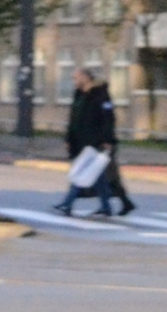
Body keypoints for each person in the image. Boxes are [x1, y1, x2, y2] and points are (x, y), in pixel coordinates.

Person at [55, 68, 131, 218]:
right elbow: (73, 119)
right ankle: (106, 206)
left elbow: (108, 119)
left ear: (86, 78)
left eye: (76, 78)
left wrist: (107, 140)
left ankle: (67, 203)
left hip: (96, 142)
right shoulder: (78, 94)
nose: (74, 81)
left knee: (82, 173)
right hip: (80, 141)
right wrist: (69, 139)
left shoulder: (101, 95)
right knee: (99, 176)